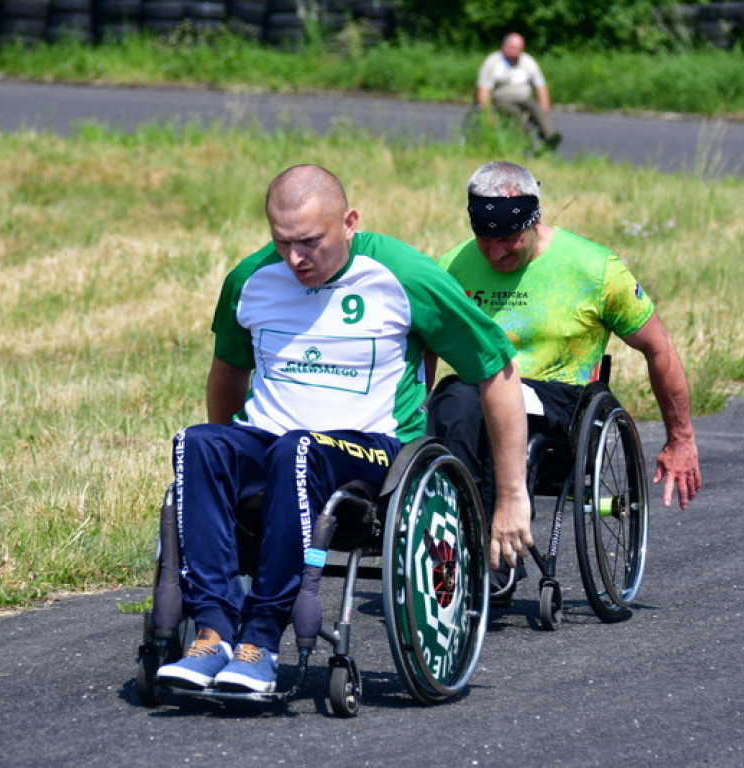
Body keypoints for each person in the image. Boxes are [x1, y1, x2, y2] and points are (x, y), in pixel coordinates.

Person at [155, 164, 531, 694]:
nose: (295, 259)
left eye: (310, 242)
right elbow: (227, 373)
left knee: (298, 449)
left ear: (350, 222)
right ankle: (213, 634)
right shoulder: (250, 279)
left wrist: (513, 496)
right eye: (282, 242)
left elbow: (497, 370)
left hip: (370, 449)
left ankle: (259, 643)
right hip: (271, 440)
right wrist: (227, 469)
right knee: (196, 443)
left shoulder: (403, 274)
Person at [427, 160, 701, 600]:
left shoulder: (595, 269)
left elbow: (659, 347)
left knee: (468, 397)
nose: (496, 254)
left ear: (535, 221)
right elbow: (422, 346)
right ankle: (461, 534)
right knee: (452, 399)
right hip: (471, 400)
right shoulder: (453, 267)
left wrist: (680, 439)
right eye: (486, 241)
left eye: (509, 242)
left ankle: (490, 546)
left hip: (558, 404)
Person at [476, 32, 562, 152]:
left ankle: (550, 136)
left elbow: (541, 87)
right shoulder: (493, 62)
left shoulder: (527, 62)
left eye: (519, 49)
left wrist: (545, 109)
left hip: (524, 98)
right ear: (504, 47)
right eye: (513, 48)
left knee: (538, 110)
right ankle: (528, 142)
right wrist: (486, 113)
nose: (516, 52)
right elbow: (484, 90)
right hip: (501, 99)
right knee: (515, 114)